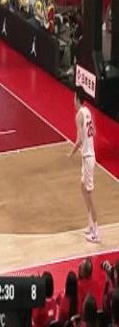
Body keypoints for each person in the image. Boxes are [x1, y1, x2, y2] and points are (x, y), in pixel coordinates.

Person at [69, 86, 99, 243]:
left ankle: (96, 231)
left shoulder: (79, 115)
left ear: (77, 99)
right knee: (83, 187)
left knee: (89, 194)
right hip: (88, 156)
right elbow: (93, 132)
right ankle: (90, 224)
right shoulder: (88, 112)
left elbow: (80, 140)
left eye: (74, 97)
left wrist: (71, 153)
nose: (73, 101)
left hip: (87, 158)